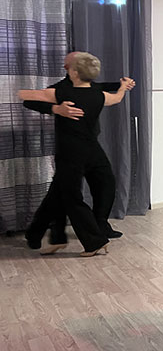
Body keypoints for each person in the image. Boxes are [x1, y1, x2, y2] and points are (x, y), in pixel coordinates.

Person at [18, 52, 135, 256]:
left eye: (68, 66)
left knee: (73, 193)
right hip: (72, 152)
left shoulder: (67, 92)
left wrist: (121, 85)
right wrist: (56, 109)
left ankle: (43, 233)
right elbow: (116, 98)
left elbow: (24, 95)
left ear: (74, 72)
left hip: (83, 150)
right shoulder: (86, 94)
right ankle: (92, 241)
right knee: (67, 196)